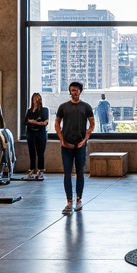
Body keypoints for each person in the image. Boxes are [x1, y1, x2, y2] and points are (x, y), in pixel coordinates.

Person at [55, 81, 95, 214]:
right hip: (66, 145)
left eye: (76, 90)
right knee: (67, 173)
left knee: (80, 173)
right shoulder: (63, 107)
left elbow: (92, 124)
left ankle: (78, 199)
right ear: (69, 91)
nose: (74, 92)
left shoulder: (86, 107)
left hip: (80, 146)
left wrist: (84, 139)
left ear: (80, 91)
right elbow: (57, 123)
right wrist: (61, 140)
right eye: (72, 90)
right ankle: (69, 201)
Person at [24, 92, 49, 180]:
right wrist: (31, 122)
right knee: (32, 152)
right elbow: (25, 121)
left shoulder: (44, 110)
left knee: (40, 152)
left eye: (37, 98)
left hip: (41, 133)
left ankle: (41, 170)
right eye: (34, 98)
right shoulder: (29, 110)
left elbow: (45, 122)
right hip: (31, 133)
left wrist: (35, 122)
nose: (35, 100)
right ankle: (32, 169)